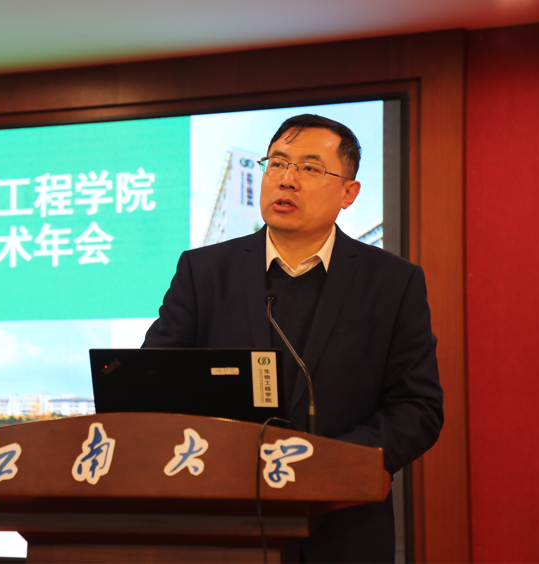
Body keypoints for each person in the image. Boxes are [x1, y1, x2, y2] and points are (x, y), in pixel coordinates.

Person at [142, 114, 444, 563]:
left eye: (310, 168)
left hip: (343, 531)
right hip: (221, 527)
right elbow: (153, 385)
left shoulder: (392, 282)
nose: (287, 179)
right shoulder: (203, 273)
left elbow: (417, 408)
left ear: (348, 193)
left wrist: (328, 461)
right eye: (278, 163)